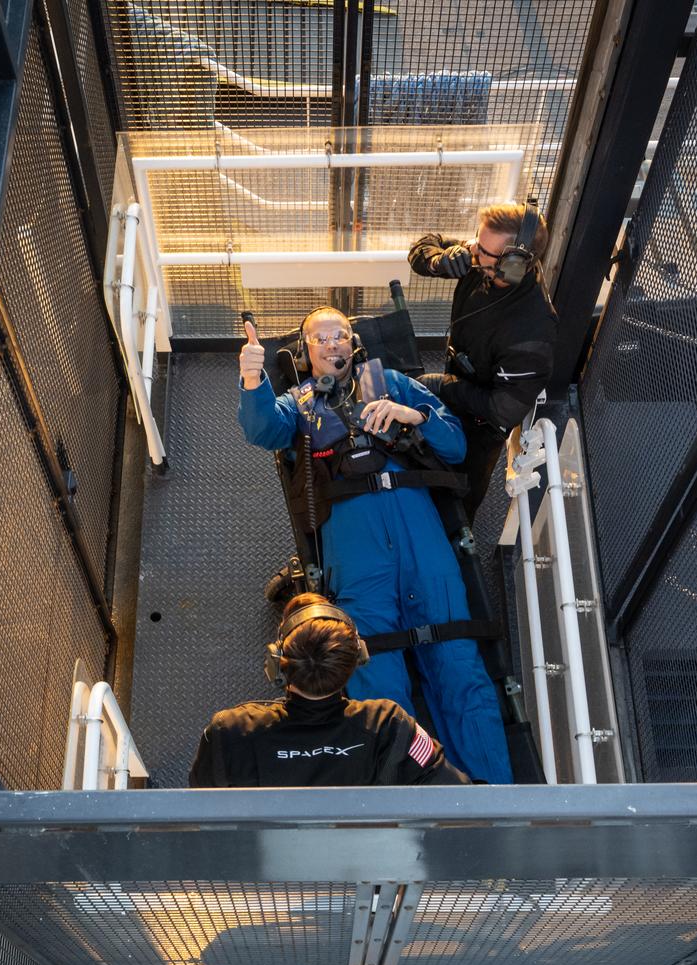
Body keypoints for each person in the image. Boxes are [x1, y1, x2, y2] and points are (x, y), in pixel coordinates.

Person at [237, 306, 513, 784]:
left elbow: (455, 445)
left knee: (460, 670)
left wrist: (413, 415)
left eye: (339, 335)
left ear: (353, 344)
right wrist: (252, 379)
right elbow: (262, 430)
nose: (331, 344)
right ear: (306, 353)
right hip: (357, 555)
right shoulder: (298, 404)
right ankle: (407, 803)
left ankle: (495, 802)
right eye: (319, 338)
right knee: (377, 687)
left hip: (422, 542)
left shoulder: (390, 384)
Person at [189, 594, 469, 786]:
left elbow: (200, 810)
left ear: (277, 662)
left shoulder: (229, 732)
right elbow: (454, 793)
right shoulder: (389, 725)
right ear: (358, 658)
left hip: (266, 871)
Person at [409, 201, 559, 519]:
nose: (472, 250)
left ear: (514, 263)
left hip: (480, 426)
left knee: (461, 492)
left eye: (482, 251)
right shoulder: (483, 259)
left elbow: (504, 409)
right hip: (456, 388)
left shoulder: (532, 332)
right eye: (476, 241)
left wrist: (444, 385)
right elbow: (423, 245)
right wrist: (437, 261)